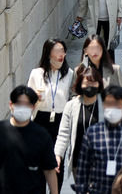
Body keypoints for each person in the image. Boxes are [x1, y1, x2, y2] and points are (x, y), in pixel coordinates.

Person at [26, 39, 73, 191]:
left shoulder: (69, 74)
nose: (61, 55)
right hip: (40, 119)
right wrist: (35, 99)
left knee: (57, 162)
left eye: (63, 51)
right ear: (48, 53)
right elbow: (27, 100)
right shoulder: (36, 74)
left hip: (60, 121)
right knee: (39, 162)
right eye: (57, 51)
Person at [0, 85, 58, 194]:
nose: (23, 107)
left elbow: (49, 170)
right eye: (19, 104)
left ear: (33, 107)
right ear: (11, 105)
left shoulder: (42, 135)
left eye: (27, 104)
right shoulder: (2, 130)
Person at [54, 66, 104, 184]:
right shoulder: (71, 105)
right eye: (87, 83)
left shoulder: (106, 105)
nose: (90, 86)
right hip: (79, 161)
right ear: (80, 84)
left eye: (93, 82)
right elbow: (63, 134)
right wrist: (57, 155)